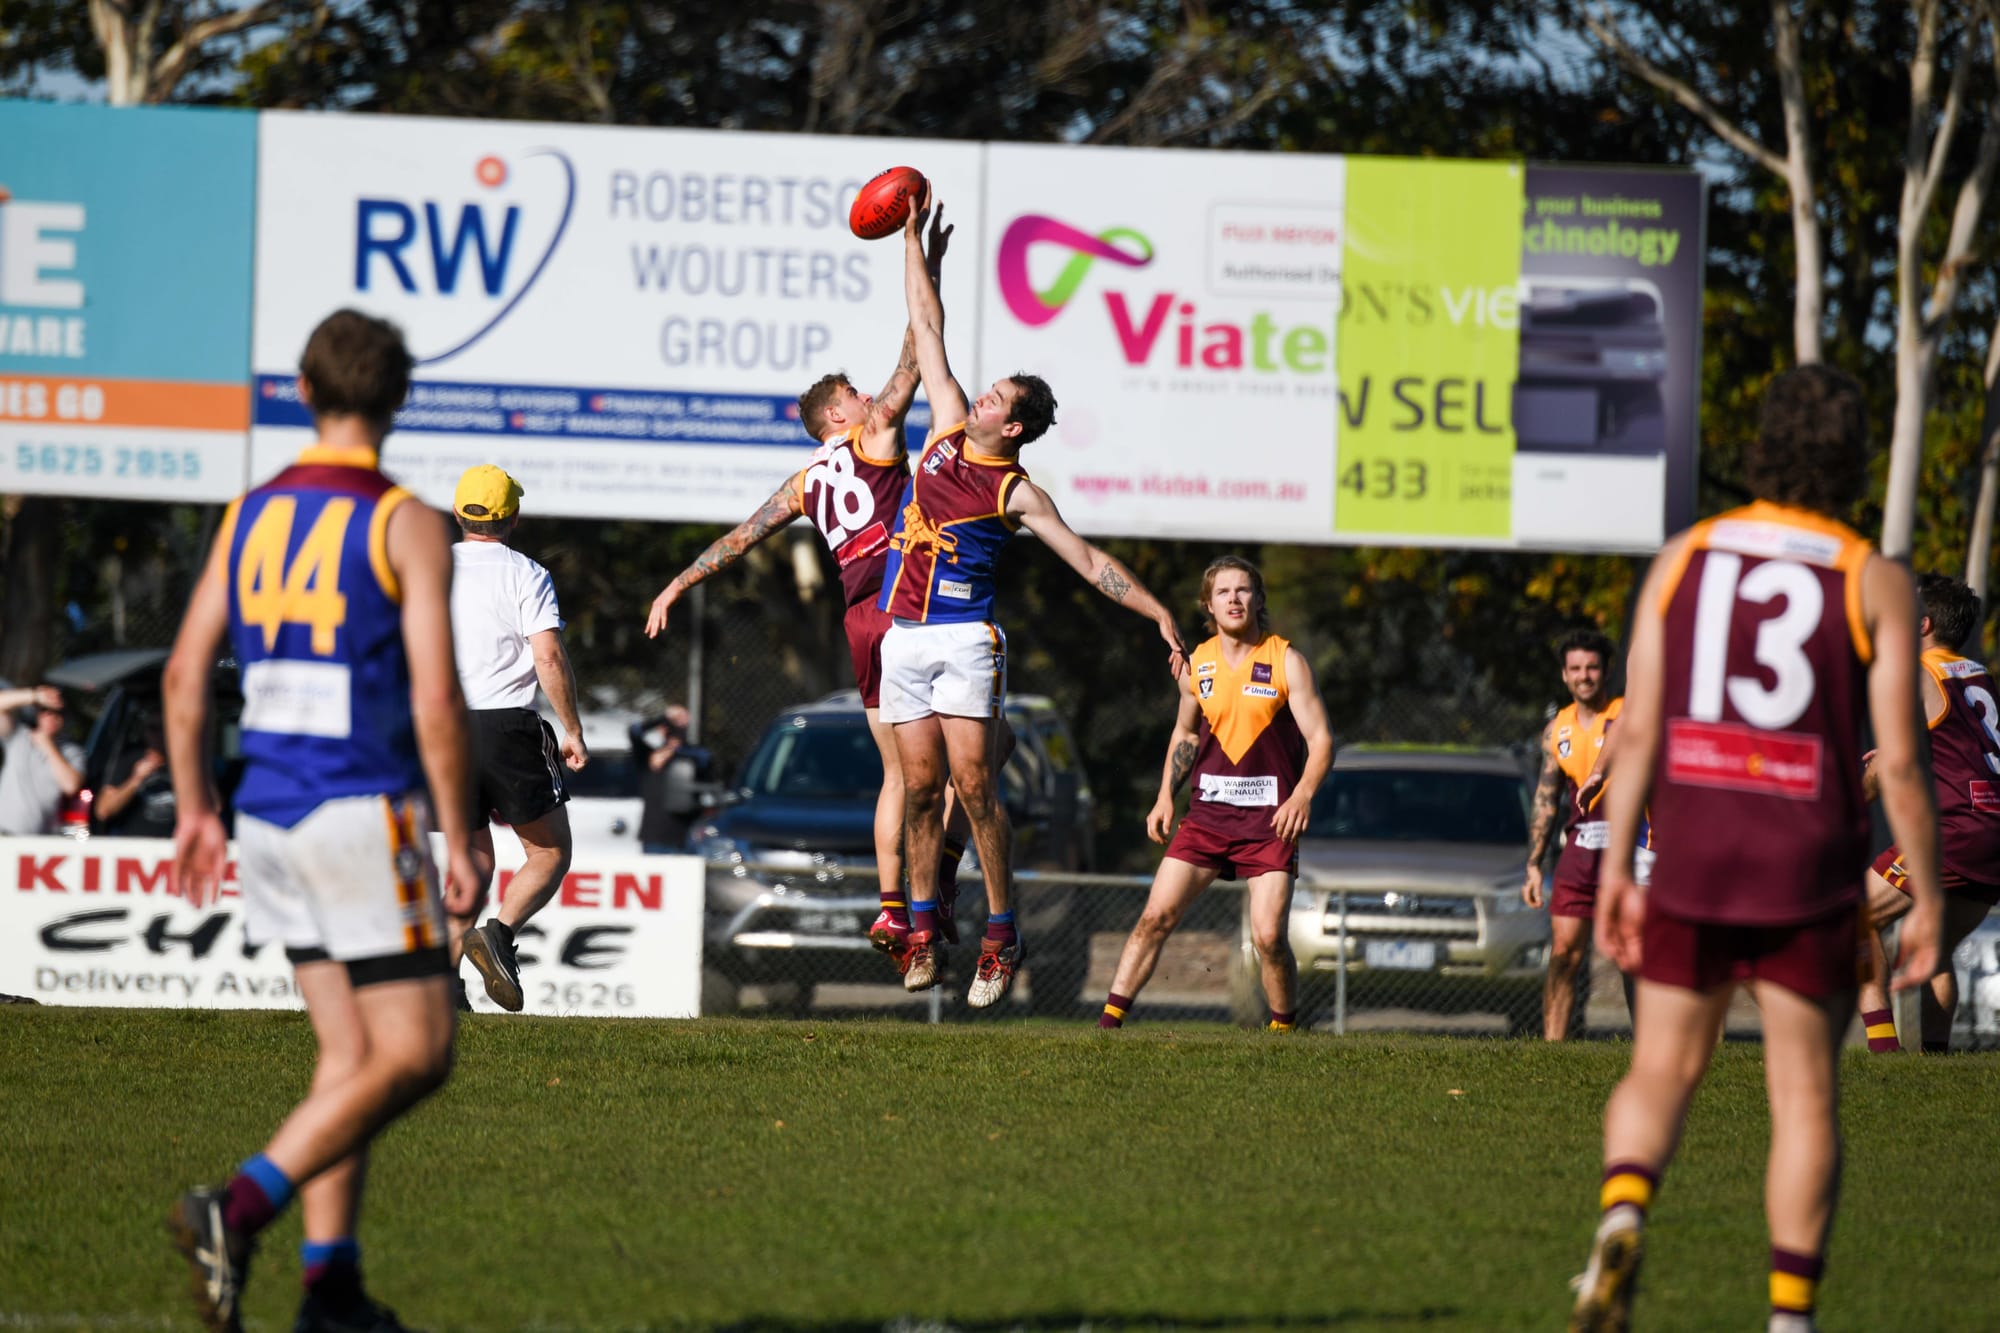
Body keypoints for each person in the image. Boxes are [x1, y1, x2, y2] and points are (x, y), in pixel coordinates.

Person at [1569, 365, 1943, 1333]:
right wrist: (1930, 899)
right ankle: (1786, 1318)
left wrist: (1614, 868)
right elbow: (1899, 762)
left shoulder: (1685, 555)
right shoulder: (1872, 575)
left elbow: (1637, 729)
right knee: (1803, 1095)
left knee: (1656, 1068)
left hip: (1693, 855)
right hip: (1805, 867)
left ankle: (1620, 1214)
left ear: (1761, 444)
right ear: (1851, 456)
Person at [164, 307, 480, 1333]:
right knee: (420, 1050)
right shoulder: (405, 520)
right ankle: (238, 1203)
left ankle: (329, 1287)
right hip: (358, 811)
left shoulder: (250, 509)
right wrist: (461, 830)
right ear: (400, 399)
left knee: (348, 1057)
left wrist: (196, 809)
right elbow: (436, 700)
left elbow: (181, 677)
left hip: (265, 814)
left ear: (303, 392)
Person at [644, 209, 987, 975]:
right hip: (909, 609)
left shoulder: (803, 484)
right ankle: (945, 878)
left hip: (858, 621)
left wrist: (674, 582)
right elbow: (918, 350)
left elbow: (738, 538)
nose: (871, 397)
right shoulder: (873, 440)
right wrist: (923, 263)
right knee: (969, 766)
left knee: (900, 775)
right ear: (839, 414)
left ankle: (895, 909)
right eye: (856, 394)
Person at [882, 183, 1186, 1008]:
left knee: (975, 787)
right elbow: (928, 326)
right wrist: (913, 244)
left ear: (1012, 425)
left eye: (995, 399)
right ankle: (919, 927)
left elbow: (1088, 561)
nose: (977, 395)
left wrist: (1158, 610)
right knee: (916, 788)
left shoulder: (1015, 490)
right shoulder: (943, 425)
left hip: (963, 638)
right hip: (902, 635)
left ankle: (1001, 930)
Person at [1098, 556, 1334, 1031]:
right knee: (1154, 917)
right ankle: (1108, 1028)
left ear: (1258, 600)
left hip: (1269, 823)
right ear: (1208, 603)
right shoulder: (1195, 663)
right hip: (1206, 819)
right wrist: (1165, 794)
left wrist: (1302, 794)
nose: (1234, 599)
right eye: (1223, 592)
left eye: (1243, 590)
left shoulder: (1286, 660)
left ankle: (1283, 1031)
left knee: (1268, 938)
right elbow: (1185, 735)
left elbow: (1322, 740)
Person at [449, 463, 589, 1013]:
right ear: (513, 516)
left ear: (459, 514)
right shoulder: (524, 573)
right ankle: (499, 934)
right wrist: (572, 730)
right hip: (504, 725)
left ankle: (443, 984)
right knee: (550, 850)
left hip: (440, 727)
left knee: (471, 861)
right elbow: (548, 655)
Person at [1853, 572, 2000, 1053]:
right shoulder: (1979, 675)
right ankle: (1933, 1065)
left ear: (1922, 624)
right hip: (1992, 832)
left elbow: (1892, 764)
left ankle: (1884, 1053)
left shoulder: (1916, 674)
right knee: (1933, 949)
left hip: (1955, 831)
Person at [1521, 629, 1639, 1041]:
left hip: (1632, 850)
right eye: (1575, 669)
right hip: (1580, 852)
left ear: (1606, 670)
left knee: (1634, 956)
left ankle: (1649, 1045)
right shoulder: (1557, 730)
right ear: (1564, 675)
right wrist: (1534, 865)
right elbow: (1546, 798)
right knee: (1564, 953)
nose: (1584, 676)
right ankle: (1554, 1047)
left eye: (1592, 667)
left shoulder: (1631, 714)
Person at [0, 684, 84, 835]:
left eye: (58, 713)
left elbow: (71, 785)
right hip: (5, 834)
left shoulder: (71, 752)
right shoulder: (19, 736)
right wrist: (35, 696)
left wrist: (48, 746)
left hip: (40, 841)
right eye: (46, 711)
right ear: (37, 714)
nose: (51, 717)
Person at [630, 703, 713, 853]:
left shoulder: (693, 755)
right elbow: (634, 731)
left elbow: (704, 760)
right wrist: (664, 718)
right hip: (655, 836)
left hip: (685, 835)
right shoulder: (648, 756)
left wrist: (674, 749)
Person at [95, 712, 175, 837]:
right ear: (145, 731)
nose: (159, 734)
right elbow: (104, 810)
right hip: (133, 848)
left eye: (164, 728)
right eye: (153, 728)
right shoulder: (129, 760)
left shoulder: (188, 764)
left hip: (174, 847)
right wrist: (136, 779)